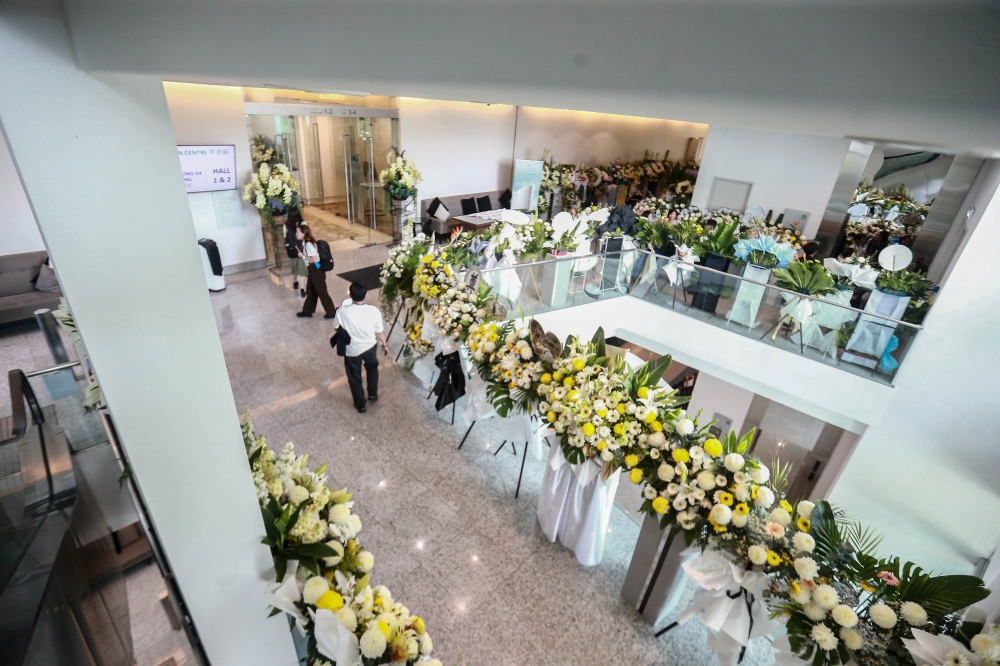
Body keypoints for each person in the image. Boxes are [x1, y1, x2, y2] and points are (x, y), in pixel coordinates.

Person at [333, 281, 388, 413]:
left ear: (350, 295)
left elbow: (336, 328)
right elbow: (379, 332)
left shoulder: (341, 311)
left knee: (354, 376)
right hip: (370, 347)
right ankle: (373, 394)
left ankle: (360, 404)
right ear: (366, 294)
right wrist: (384, 345)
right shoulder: (374, 311)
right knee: (372, 369)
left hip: (352, 350)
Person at [296, 224, 336, 319]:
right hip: (314, 269)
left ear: (303, 233)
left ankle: (331, 312)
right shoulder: (306, 242)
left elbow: (314, 260)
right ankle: (307, 311)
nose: (296, 234)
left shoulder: (309, 244)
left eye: (298, 232)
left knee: (322, 292)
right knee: (311, 291)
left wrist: (303, 256)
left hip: (315, 269)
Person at [284, 208, 307, 296]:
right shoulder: (303, 223)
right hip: (302, 250)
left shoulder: (285, 225)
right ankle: (302, 290)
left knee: (295, 268)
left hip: (291, 250)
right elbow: (307, 236)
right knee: (303, 271)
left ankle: (295, 282)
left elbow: (285, 238)